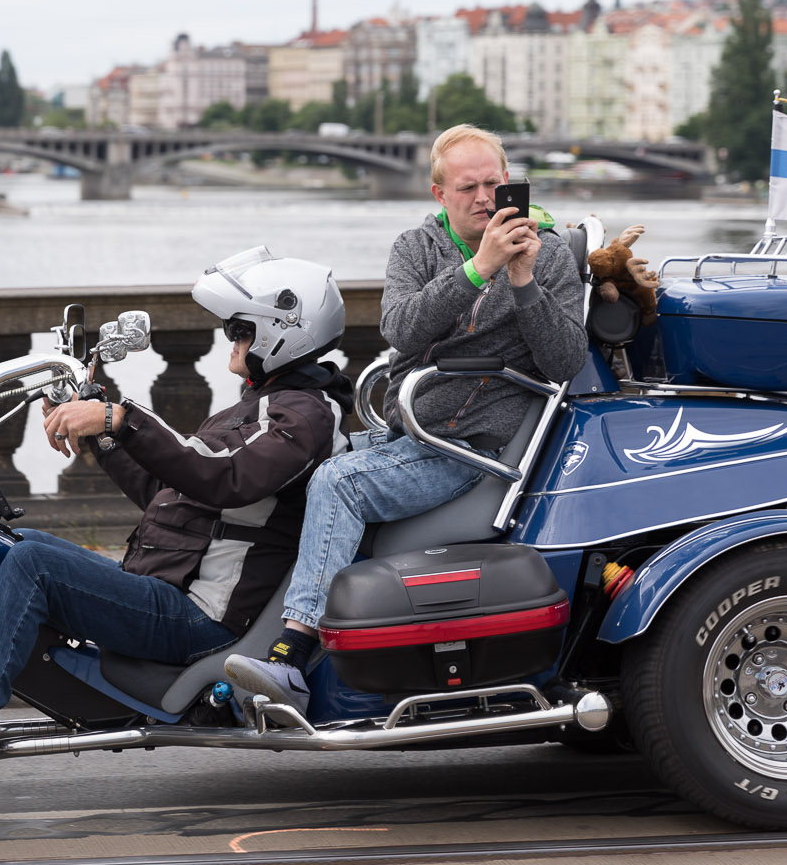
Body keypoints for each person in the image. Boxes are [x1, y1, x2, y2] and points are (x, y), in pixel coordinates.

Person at [0, 249, 354, 798]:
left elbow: (227, 479)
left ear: (283, 333)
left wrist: (123, 417)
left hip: (199, 618)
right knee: (12, 548)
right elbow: (169, 495)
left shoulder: (305, 414)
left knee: (34, 564)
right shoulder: (256, 406)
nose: (228, 338)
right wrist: (101, 433)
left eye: (240, 327)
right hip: (161, 591)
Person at [224, 125, 586, 709]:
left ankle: (291, 654)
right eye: (468, 187)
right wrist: (476, 270)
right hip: (411, 429)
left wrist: (520, 281)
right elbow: (401, 329)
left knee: (337, 483)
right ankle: (247, 622)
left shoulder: (543, 253)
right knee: (305, 460)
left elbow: (565, 360)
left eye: (495, 183)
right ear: (439, 195)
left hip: (469, 445)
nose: (485, 198)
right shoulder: (415, 248)